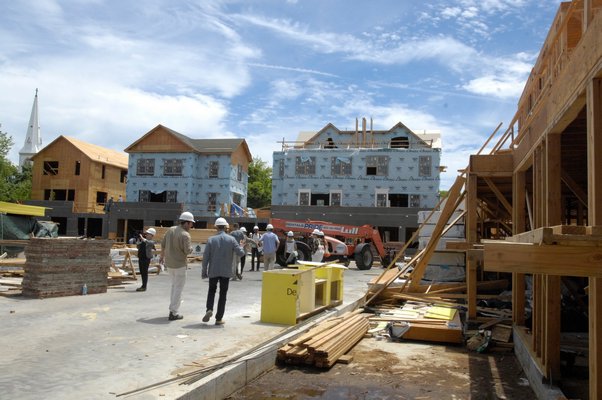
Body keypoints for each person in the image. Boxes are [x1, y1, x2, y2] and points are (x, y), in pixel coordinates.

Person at [202, 217, 245, 326]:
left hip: (213, 270)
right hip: (226, 271)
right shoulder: (231, 240)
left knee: (211, 291)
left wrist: (204, 271)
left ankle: (209, 308)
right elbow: (241, 253)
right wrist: (242, 246)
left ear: (216, 227)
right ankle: (219, 318)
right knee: (223, 294)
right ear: (226, 227)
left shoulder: (211, 240)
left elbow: (206, 256)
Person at [160, 211, 194, 321]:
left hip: (170, 264)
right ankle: (173, 312)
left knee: (174, 287)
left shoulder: (170, 230)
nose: (191, 226)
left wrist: (162, 256)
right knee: (178, 289)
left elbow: (163, 244)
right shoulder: (185, 235)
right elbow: (187, 251)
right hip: (179, 265)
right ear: (187, 223)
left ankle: (172, 309)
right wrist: (192, 248)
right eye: (191, 223)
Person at [136, 227, 156, 292]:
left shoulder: (151, 242)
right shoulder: (144, 240)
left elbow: (147, 242)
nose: (146, 234)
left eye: (148, 234)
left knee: (144, 272)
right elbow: (138, 246)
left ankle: (144, 286)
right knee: (142, 272)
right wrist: (139, 240)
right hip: (141, 257)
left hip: (146, 258)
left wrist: (142, 238)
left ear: (152, 235)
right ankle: (143, 285)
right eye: (146, 233)